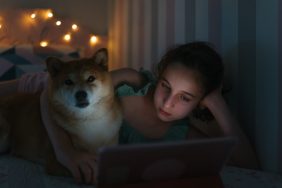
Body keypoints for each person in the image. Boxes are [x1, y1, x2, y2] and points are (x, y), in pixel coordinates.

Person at [0, 41, 259, 184]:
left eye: (185, 98)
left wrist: (217, 103)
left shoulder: (183, 132)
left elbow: (249, 167)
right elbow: (49, 92)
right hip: (43, 90)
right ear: (158, 76)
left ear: (199, 103)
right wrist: (66, 153)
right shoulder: (132, 81)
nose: (167, 103)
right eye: (165, 87)